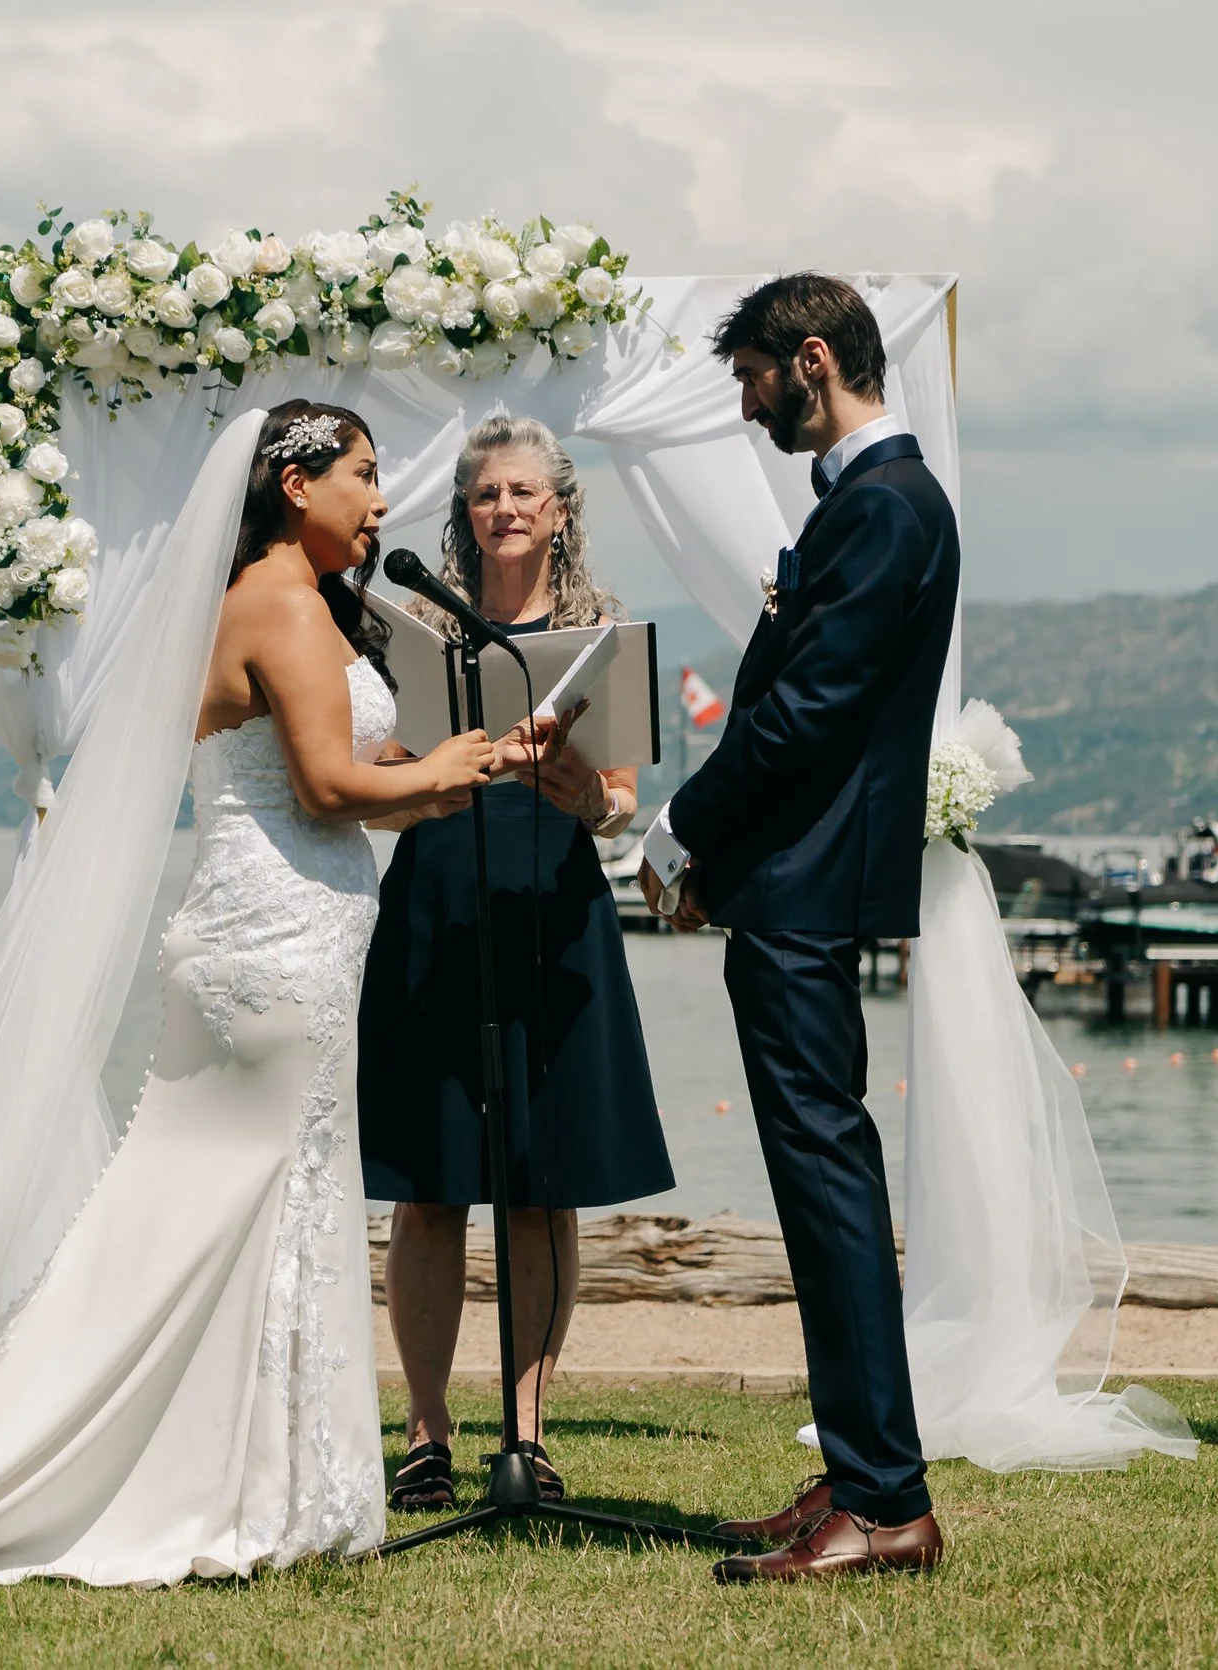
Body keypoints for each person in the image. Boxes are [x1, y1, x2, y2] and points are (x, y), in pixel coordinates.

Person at [0, 401, 494, 1586]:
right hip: (278, 940)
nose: (380, 498)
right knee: (230, 1202)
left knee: (220, 1203)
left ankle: (253, 1468)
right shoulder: (281, 601)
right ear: (294, 483)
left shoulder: (261, 600)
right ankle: (167, 1465)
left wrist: (448, 782)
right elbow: (322, 787)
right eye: (363, 474)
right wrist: (442, 766)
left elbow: (331, 785)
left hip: (264, 927)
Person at [637, 273, 955, 1581]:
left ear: (812, 359)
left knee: (828, 1189)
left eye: (755, 378)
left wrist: (685, 823)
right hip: (800, 881)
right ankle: (859, 1470)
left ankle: (886, 1503)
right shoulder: (869, 506)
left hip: (809, 889)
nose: (749, 404)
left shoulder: (884, 510)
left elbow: (808, 711)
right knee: (822, 1184)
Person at [359, 414, 670, 1511]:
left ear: (560, 509)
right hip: (436, 900)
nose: (504, 509)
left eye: (523, 492)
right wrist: (437, 766)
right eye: (486, 492)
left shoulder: (602, 637)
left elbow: (623, 801)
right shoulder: (412, 632)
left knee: (542, 1188)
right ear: (465, 508)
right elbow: (371, 779)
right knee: (429, 1186)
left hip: (553, 907)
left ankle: (528, 1431)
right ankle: (427, 1432)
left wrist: (584, 792)